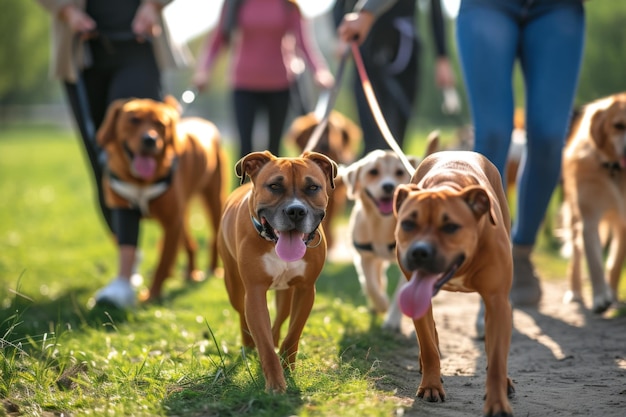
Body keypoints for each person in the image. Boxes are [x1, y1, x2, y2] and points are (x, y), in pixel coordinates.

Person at [37, 0, 191, 308]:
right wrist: (66, 11)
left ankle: (124, 278)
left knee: (135, 152)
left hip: (139, 42)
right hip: (83, 48)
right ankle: (129, 254)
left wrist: (153, 5)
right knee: (102, 160)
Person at [455, 0, 586, 307]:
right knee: (493, 135)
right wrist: (369, 10)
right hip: (487, 7)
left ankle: (522, 252)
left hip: (557, 9)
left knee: (550, 136)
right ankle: (488, 261)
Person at [192, 0, 335, 161]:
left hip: (280, 86)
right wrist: (203, 71)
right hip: (243, 84)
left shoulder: (288, 5)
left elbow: (305, 44)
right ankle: (244, 186)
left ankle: (274, 186)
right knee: (245, 149)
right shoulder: (235, 4)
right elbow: (217, 40)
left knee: (274, 148)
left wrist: (320, 71)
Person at [333, 0, 456, 156]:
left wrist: (442, 57)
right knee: (373, 138)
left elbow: (435, 7)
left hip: (406, 55)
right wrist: (340, 35)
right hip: (367, 51)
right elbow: (339, 5)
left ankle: (396, 174)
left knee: (398, 136)